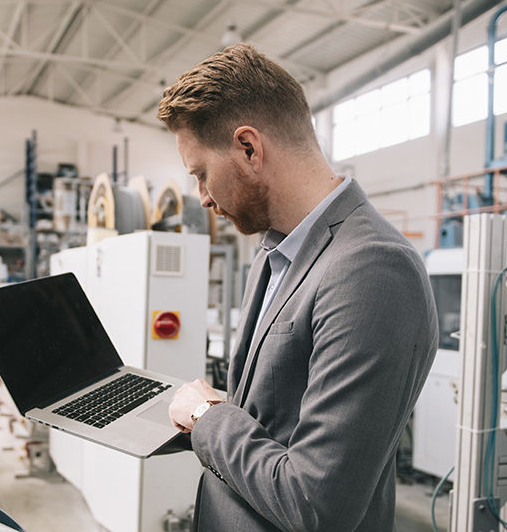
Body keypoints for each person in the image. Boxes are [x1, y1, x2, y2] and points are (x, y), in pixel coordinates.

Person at [157, 43, 438, 532]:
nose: (201, 196)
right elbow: (270, 416)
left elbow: (316, 505)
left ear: (249, 148)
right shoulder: (276, 252)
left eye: (201, 174)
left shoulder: (373, 269)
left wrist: (207, 417)